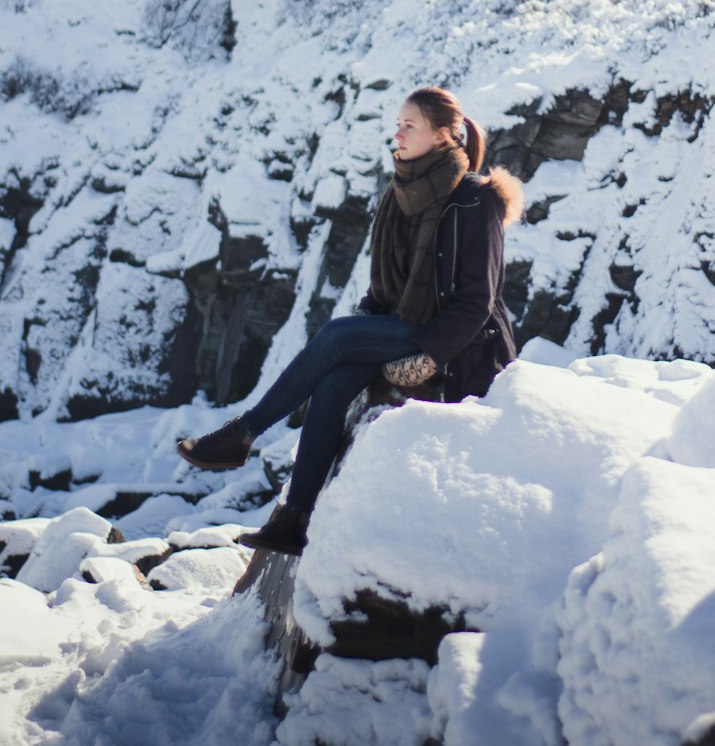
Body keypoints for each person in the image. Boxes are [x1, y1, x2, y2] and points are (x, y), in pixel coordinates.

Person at [176, 86, 524, 556]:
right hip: (403, 326)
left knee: (338, 335)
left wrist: (428, 355)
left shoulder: (475, 200)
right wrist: (371, 330)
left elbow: (477, 301)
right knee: (335, 382)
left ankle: (244, 433)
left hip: (462, 344)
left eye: (409, 125)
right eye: (398, 123)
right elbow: (385, 289)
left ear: (444, 136)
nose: (396, 134)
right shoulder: (401, 193)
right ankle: (294, 519)